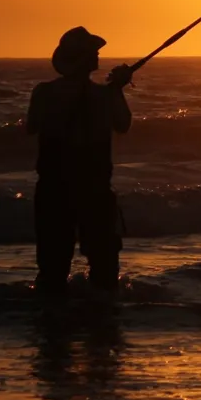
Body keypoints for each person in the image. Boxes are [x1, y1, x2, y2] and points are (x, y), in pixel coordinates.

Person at [26, 27, 133, 297]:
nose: (98, 54)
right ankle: (101, 323)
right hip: (94, 189)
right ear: (84, 58)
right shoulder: (104, 96)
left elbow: (31, 126)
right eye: (93, 51)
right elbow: (123, 125)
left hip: (53, 188)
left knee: (52, 266)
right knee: (104, 267)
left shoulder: (43, 92)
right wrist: (117, 89)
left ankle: (52, 323)